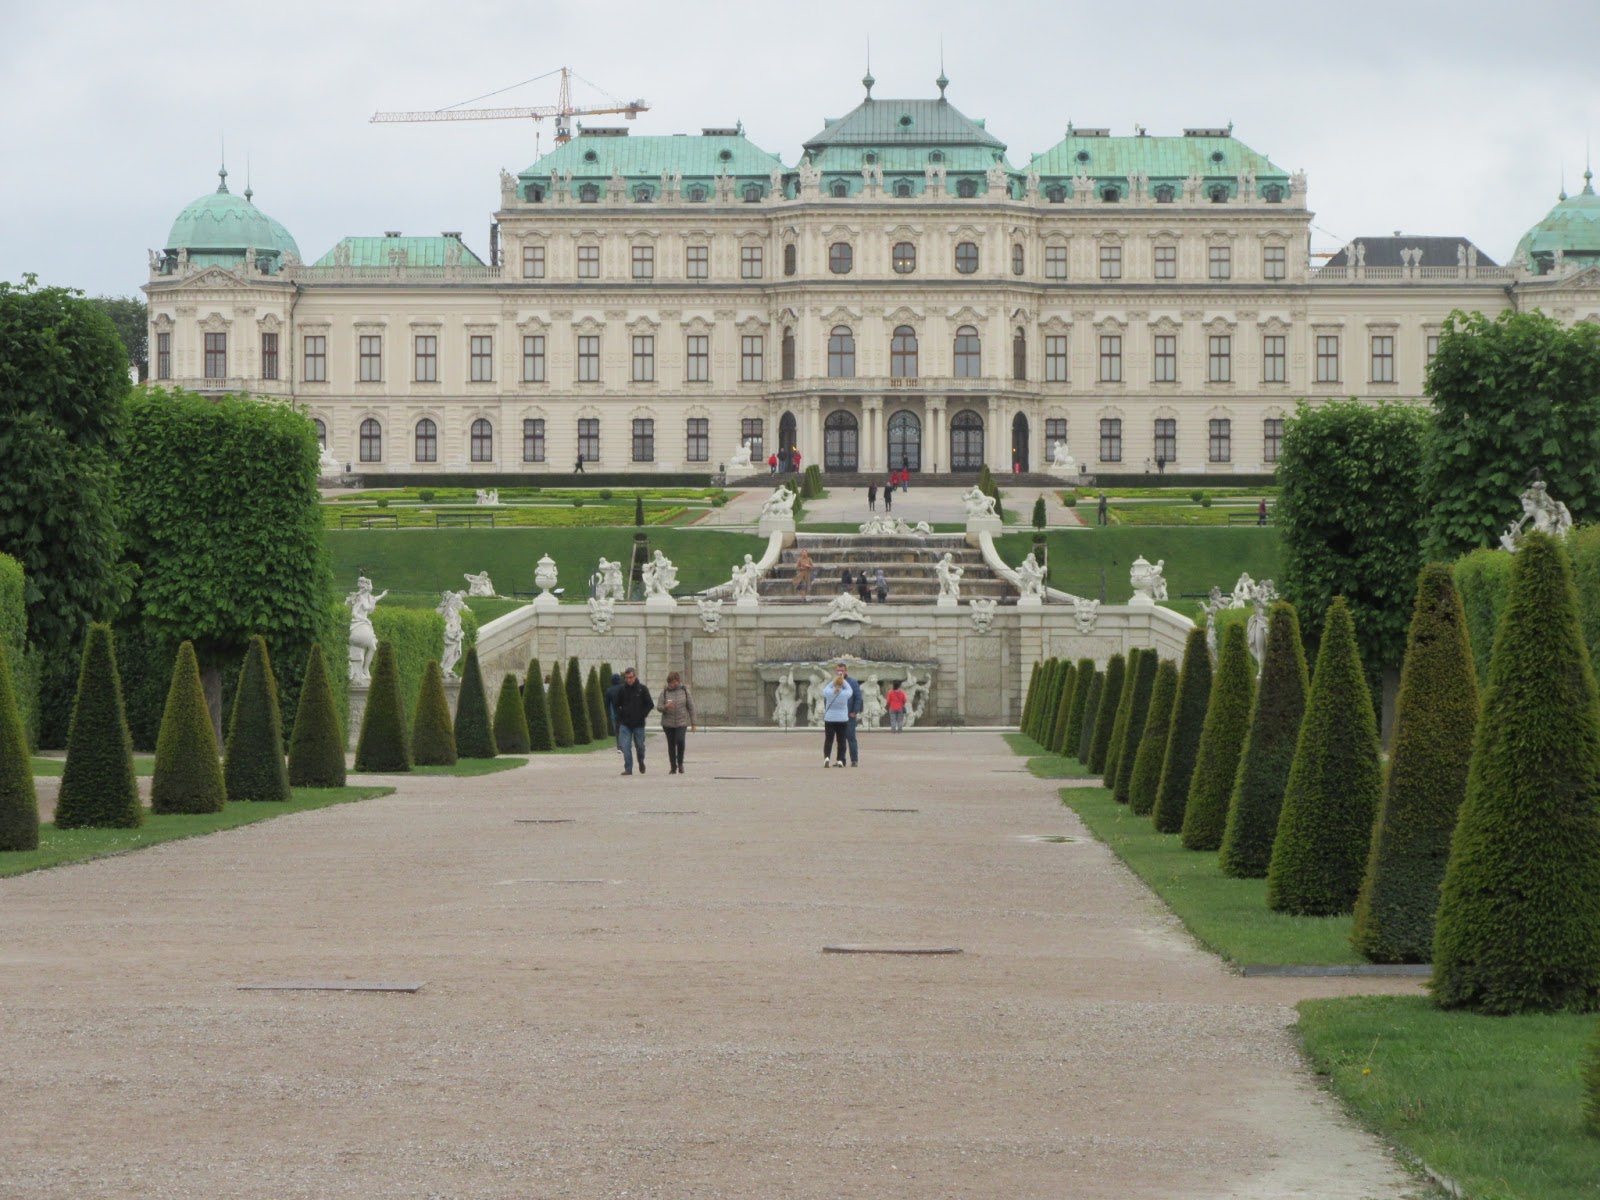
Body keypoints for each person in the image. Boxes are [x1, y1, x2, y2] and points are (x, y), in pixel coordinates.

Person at [612, 667, 654, 776]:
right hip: (625, 724)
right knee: (625, 747)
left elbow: (650, 704)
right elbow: (616, 704)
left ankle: (641, 761)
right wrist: (620, 716)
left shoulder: (642, 689)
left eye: (630, 677)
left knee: (640, 746)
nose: (629, 680)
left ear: (635, 677)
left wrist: (642, 715)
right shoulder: (622, 690)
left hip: (638, 724)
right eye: (626, 678)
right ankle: (628, 768)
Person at [658, 670, 695, 775]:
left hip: (681, 722)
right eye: (670, 683)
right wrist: (665, 707)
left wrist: (693, 723)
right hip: (668, 723)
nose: (672, 685)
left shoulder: (685, 691)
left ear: (678, 681)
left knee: (680, 741)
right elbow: (659, 707)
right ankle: (673, 767)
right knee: (671, 745)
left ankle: (680, 764)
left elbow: (691, 707)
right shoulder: (664, 692)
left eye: (674, 682)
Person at [821, 664, 853, 767]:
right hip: (842, 719)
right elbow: (849, 689)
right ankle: (840, 760)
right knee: (841, 740)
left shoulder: (828, 692)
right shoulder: (845, 694)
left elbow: (827, 687)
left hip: (830, 719)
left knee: (829, 740)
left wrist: (835, 679)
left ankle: (826, 758)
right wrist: (842, 678)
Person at [844, 666, 864, 766]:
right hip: (838, 715)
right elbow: (827, 696)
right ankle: (841, 760)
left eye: (841, 670)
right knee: (840, 739)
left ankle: (854, 760)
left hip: (849, 715)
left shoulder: (853, 682)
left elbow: (858, 697)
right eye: (838, 670)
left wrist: (855, 711)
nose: (840, 672)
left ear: (846, 671)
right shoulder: (834, 682)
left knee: (851, 737)